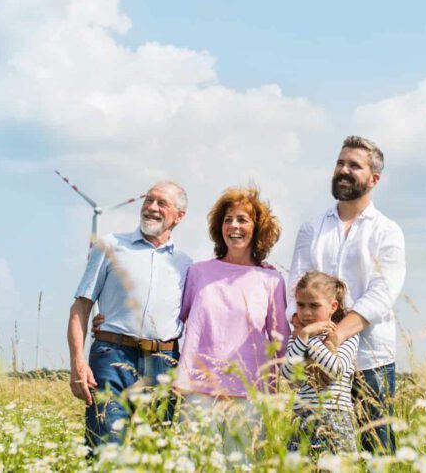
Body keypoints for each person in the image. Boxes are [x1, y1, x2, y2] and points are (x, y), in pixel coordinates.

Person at [288, 135, 406, 454]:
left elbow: (382, 295)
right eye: (340, 163)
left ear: (374, 178)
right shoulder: (311, 229)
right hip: (315, 361)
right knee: (315, 452)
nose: (343, 170)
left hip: (370, 360)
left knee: (376, 452)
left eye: (354, 165)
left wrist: (334, 337)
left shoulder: (387, 231)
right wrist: (307, 339)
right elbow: (295, 289)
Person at [66, 181, 192, 452]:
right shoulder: (109, 245)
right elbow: (81, 307)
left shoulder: (186, 264)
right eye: (148, 200)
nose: (151, 208)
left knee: (153, 454)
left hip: (163, 363)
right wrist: (77, 362)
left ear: (179, 216)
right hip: (111, 356)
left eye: (162, 203)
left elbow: (192, 320)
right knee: (106, 448)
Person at [175, 186, 291, 456]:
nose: (234, 226)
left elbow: (280, 342)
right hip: (198, 388)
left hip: (251, 393)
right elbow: (171, 319)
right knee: (196, 463)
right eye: (228, 220)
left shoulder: (272, 281)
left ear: (258, 228)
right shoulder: (198, 272)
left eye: (242, 219)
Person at [284, 271, 360, 455]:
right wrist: (304, 335)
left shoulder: (345, 337)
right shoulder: (298, 337)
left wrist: (310, 337)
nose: (306, 312)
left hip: (335, 418)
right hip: (302, 417)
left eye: (314, 305)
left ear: (332, 306)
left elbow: (335, 370)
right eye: (301, 305)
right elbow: (287, 373)